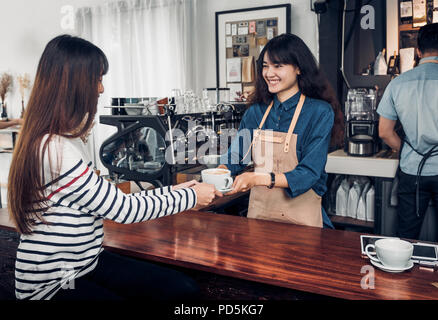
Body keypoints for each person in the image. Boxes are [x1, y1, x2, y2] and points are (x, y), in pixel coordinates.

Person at [7, 34, 221, 300]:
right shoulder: (54, 148)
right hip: (58, 280)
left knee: (182, 289)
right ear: (73, 84)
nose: (101, 89)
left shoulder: (67, 139)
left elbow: (113, 198)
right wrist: (190, 197)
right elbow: (123, 209)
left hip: (88, 263)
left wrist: (179, 190)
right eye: (97, 79)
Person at [219, 33, 343, 228]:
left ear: (299, 68)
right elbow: (236, 156)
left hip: (303, 222)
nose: (269, 73)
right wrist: (220, 172)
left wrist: (258, 178)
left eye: (278, 66)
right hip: (260, 219)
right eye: (266, 66)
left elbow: (309, 172)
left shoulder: (319, 112)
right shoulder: (255, 112)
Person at [377, 23, 438, 240]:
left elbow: (384, 132)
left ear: (418, 52)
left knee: (407, 238)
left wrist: (407, 149)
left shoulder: (398, 83)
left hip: (412, 171)